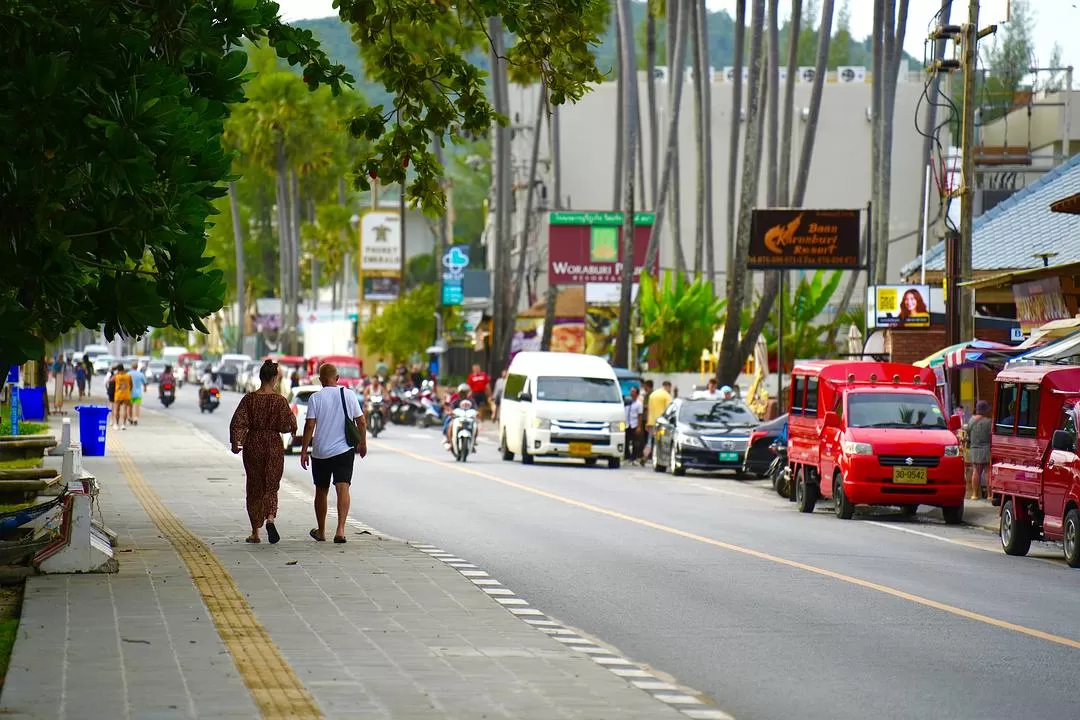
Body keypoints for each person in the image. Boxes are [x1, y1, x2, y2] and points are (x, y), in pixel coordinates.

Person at [230, 360, 298, 544]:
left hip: (253, 444)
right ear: (275, 378)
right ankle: (270, 518)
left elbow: (238, 422)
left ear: (261, 376)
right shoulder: (279, 401)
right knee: (271, 484)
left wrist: (237, 442)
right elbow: (290, 425)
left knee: (254, 485)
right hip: (273, 445)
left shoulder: (249, 399)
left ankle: (255, 532)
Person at [300, 364, 366, 544]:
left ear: (320, 380)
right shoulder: (349, 394)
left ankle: (321, 531)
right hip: (343, 450)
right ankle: (340, 530)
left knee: (321, 490)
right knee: (342, 487)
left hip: (320, 452)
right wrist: (363, 443)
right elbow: (361, 422)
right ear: (337, 379)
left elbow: (310, 425)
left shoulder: (315, 398)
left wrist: (304, 450)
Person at [965, 400, 992, 501]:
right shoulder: (989, 422)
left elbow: (967, 432)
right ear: (985, 410)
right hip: (986, 449)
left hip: (975, 449)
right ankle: (990, 495)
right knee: (987, 472)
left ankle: (975, 494)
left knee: (976, 471)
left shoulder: (971, 421)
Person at [646, 379, 673, 457]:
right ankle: (658, 456)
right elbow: (670, 410)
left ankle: (645, 455)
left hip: (651, 422)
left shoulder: (653, 395)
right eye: (669, 388)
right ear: (667, 386)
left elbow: (649, 409)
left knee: (650, 440)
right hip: (662, 424)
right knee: (660, 441)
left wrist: (647, 422)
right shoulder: (667, 396)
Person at [443, 384, 472, 448]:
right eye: (462, 392)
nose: (463, 394)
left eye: (465, 392)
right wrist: (450, 412)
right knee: (450, 424)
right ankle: (449, 440)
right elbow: (451, 408)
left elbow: (475, 409)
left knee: (475, 426)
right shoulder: (456, 401)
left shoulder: (471, 401)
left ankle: (473, 442)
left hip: (468, 419)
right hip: (457, 418)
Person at [625, 386, 645, 464]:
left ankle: (634, 457)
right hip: (626, 424)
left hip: (634, 424)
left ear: (637, 393)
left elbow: (640, 415)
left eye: (633, 391)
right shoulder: (627, 402)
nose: (631, 393)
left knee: (635, 443)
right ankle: (627, 456)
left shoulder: (639, 404)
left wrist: (639, 427)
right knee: (626, 441)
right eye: (631, 391)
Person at [112, 364, 133, 430]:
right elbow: (131, 385)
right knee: (125, 409)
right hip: (126, 394)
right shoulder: (128, 376)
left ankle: (116, 424)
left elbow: (110, 380)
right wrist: (128, 390)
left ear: (118, 370)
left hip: (118, 394)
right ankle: (123, 424)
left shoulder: (116, 376)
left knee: (117, 409)